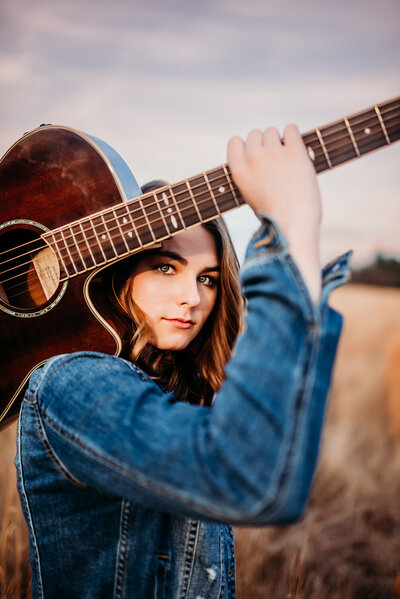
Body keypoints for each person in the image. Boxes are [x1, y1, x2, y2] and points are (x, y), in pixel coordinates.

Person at [15, 125, 350, 598]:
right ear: (118, 274)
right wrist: (291, 233)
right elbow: (248, 479)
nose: (191, 298)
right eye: (165, 267)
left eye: (209, 279)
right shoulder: (71, 383)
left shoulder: (184, 394)